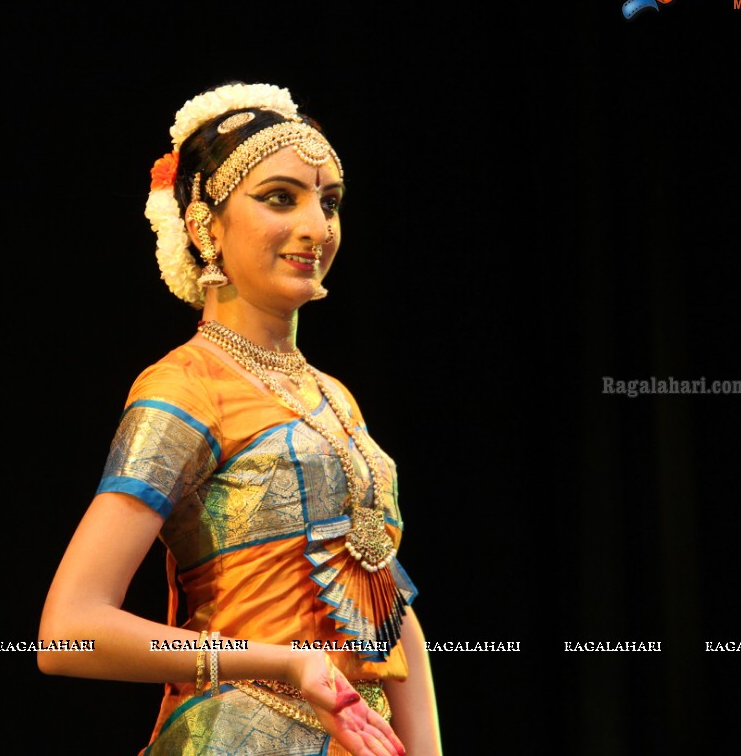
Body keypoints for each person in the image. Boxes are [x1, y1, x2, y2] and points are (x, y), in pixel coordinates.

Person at [37, 82, 442, 756]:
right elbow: (69, 629)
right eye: (281, 197)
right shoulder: (186, 387)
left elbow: (388, 608)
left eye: (330, 202)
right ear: (204, 227)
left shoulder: (336, 400)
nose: (317, 227)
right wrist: (283, 663)